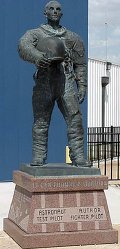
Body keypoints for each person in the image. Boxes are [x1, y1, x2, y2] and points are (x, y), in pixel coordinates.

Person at [18, 0, 90, 167]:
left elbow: (80, 64)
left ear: (61, 14)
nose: (55, 11)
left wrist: (82, 85)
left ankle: (78, 156)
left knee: (75, 120)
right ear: (45, 13)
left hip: (66, 82)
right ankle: (38, 156)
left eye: (58, 9)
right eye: (51, 9)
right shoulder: (35, 34)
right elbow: (23, 46)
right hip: (44, 81)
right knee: (41, 121)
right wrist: (37, 56)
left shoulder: (72, 37)